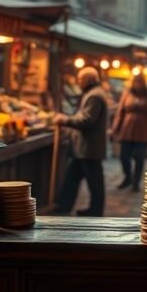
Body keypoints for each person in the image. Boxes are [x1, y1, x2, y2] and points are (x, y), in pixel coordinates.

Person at [54, 67, 110, 216]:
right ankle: (64, 205)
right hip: (84, 148)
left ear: (87, 80)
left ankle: (95, 210)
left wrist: (65, 120)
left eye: (80, 79)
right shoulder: (93, 94)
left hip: (89, 148)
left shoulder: (94, 96)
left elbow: (87, 120)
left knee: (94, 181)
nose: (78, 82)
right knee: (73, 177)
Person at [110, 73, 147, 192]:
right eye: (136, 81)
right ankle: (128, 177)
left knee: (139, 157)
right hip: (127, 130)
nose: (138, 84)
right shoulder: (127, 94)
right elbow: (120, 113)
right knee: (123, 156)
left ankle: (136, 181)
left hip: (143, 132)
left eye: (140, 82)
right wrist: (115, 129)